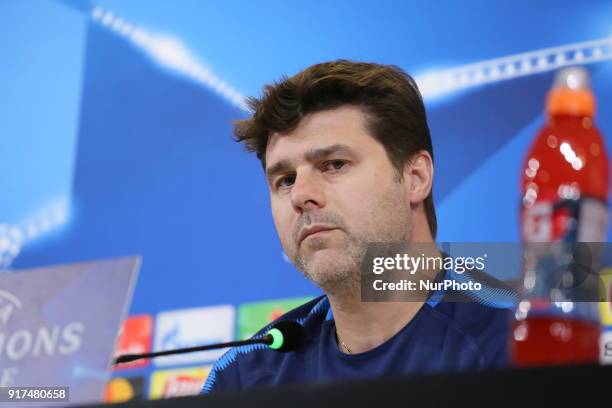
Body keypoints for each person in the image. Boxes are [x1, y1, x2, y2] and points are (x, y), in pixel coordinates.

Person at [201, 60, 510, 393]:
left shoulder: (517, 340)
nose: (301, 195)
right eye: (285, 180)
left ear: (415, 178)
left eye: (334, 164)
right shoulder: (243, 378)